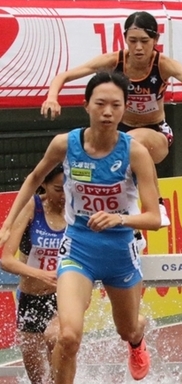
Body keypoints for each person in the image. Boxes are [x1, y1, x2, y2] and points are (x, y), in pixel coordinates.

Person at [0, 71, 161, 384]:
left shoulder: (135, 152)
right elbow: (34, 178)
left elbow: (154, 218)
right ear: (86, 105)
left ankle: (137, 343)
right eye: (100, 103)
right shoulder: (65, 144)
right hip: (78, 249)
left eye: (116, 105)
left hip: (119, 250)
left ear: (125, 109)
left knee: (126, 328)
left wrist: (120, 219)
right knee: (68, 335)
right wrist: (6, 225)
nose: (108, 112)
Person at [40, 11, 182, 227]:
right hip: (122, 131)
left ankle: (158, 204)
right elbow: (64, 76)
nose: (138, 48)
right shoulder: (114, 60)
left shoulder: (163, 65)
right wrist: (52, 97)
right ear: (125, 38)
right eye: (132, 41)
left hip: (156, 132)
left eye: (145, 42)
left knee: (133, 141)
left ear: (155, 40)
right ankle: (127, 212)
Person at [0, 165, 64, 384]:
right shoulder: (33, 207)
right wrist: (41, 274)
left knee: (54, 337)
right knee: (37, 378)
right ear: (44, 185)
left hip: (64, 297)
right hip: (30, 299)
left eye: (69, 188)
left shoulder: (78, 213)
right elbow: (6, 260)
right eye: (58, 189)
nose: (64, 195)